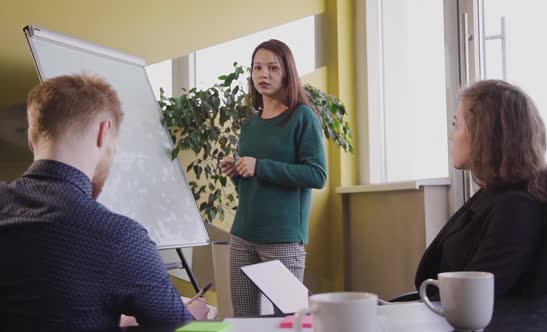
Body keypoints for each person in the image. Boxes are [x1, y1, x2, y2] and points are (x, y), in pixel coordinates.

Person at [0, 74, 207, 330]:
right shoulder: (120, 238)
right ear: (103, 132)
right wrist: (192, 317)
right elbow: (179, 328)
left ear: (32, 140)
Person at [220, 39, 327, 316]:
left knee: (289, 320)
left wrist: (260, 166)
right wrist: (237, 172)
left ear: (287, 73)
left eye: (272, 68)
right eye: (257, 68)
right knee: (244, 320)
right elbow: (251, 187)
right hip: (242, 238)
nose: (263, 74)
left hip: (282, 240)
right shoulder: (250, 126)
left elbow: (317, 175)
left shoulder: (303, 117)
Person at [415, 79, 547, 297]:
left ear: (484, 134)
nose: (451, 136)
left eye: (456, 125)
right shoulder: (493, 194)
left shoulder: (515, 208)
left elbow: (474, 297)